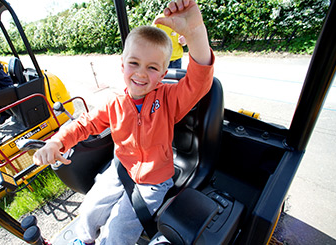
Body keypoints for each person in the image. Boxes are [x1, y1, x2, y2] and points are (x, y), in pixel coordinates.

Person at [33, 0, 214, 244]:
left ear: (163, 74)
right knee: (90, 208)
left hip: (154, 180)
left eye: (152, 67)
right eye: (134, 63)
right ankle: (82, 240)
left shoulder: (169, 99)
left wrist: (195, 33)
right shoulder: (113, 103)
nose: (141, 73)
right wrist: (57, 142)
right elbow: (84, 124)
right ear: (122, 65)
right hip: (120, 170)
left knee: (117, 230)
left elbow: (199, 80)